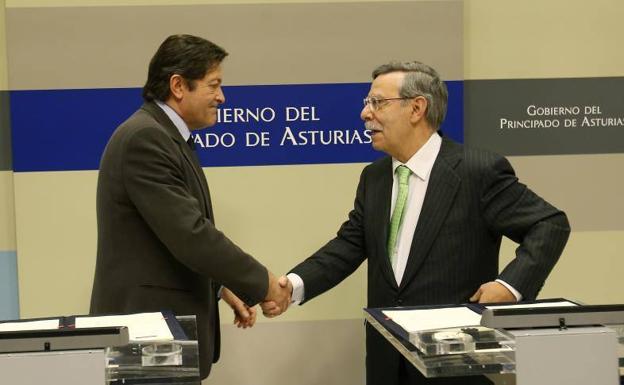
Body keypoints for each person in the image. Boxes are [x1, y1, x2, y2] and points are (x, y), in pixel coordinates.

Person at [263, 61, 570, 385]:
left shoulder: (476, 171)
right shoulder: (375, 178)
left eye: (377, 103)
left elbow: (550, 223)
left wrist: (510, 287)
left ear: (416, 108)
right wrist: (292, 286)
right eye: (367, 104)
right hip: (386, 363)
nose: (365, 114)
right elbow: (350, 244)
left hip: (454, 363)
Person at [90, 34, 290, 380]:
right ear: (178, 86)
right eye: (214, 85)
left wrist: (222, 287)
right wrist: (263, 283)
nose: (221, 97)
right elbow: (191, 235)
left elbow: (167, 240)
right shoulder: (146, 139)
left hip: (160, 338)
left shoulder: (165, 136)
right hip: (147, 340)